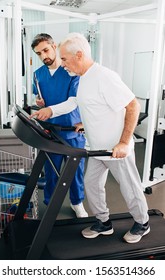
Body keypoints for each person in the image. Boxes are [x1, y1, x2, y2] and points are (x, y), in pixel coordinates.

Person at [31, 32, 150, 243]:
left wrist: (123, 142)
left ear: (79, 55)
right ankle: (103, 223)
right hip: (96, 147)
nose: (63, 64)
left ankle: (143, 223)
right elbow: (79, 104)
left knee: (129, 187)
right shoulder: (82, 78)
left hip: (115, 148)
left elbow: (133, 106)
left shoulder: (105, 76)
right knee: (92, 184)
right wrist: (74, 120)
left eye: (65, 59)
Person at [31, 33, 88, 218]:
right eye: (39, 53)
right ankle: (51, 203)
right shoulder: (38, 75)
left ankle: (77, 202)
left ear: (54, 46)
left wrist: (50, 110)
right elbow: (38, 97)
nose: (43, 56)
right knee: (51, 171)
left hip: (72, 129)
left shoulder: (71, 70)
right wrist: (39, 102)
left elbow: (73, 101)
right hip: (50, 130)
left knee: (75, 170)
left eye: (46, 50)